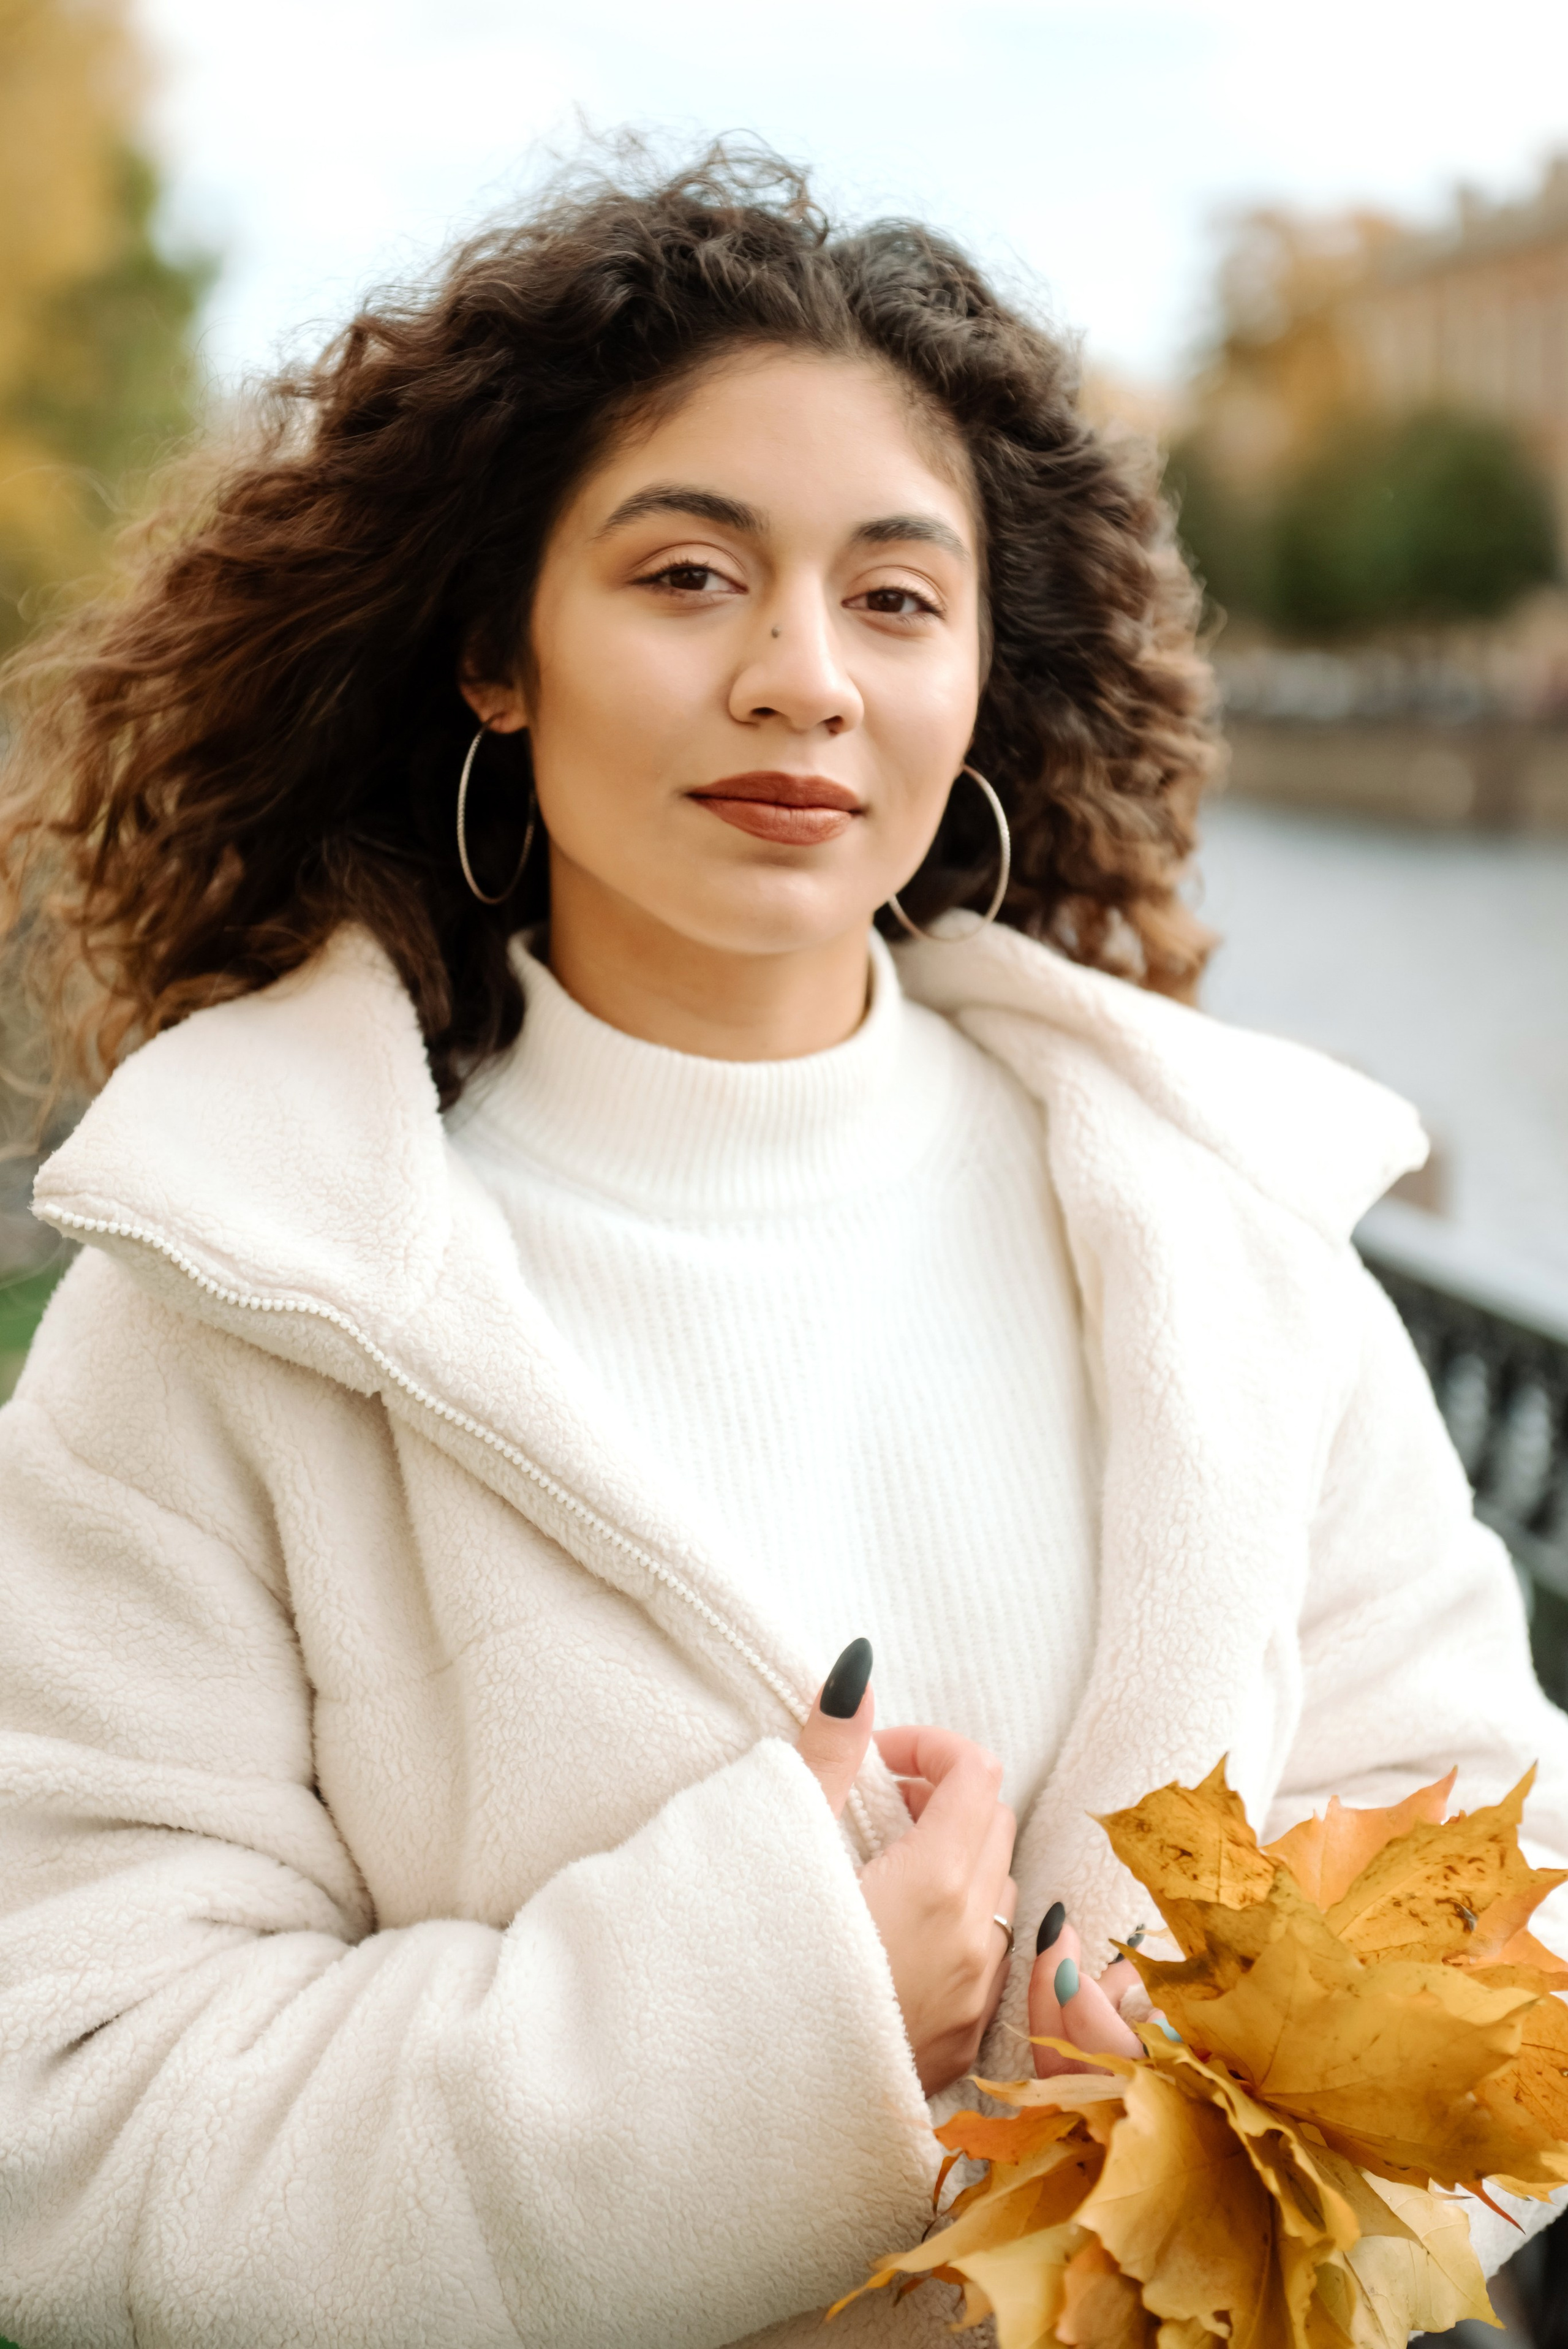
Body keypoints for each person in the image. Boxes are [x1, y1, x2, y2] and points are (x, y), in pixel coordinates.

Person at [0, 148, 1562, 2349]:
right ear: (497, 652)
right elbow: (76, 2132)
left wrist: (1213, 2141)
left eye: (897, 598)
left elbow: (1510, 1914)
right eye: (688, 575)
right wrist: (769, 2009)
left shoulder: (1218, 1226)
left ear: (980, 672)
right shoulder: (229, 1290)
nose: (803, 678)